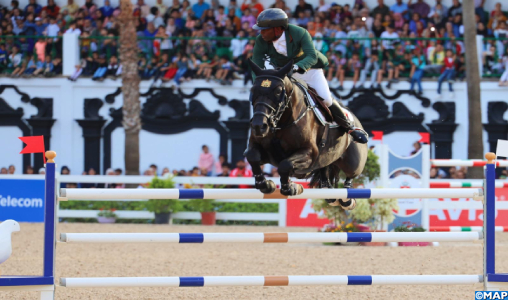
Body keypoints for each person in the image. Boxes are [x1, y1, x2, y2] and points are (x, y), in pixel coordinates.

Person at [251, 8, 368, 144]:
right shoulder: (261, 40)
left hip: (309, 70)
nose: (261, 32)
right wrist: (258, 84)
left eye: (265, 29)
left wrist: (295, 67)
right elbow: (257, 64)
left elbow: (311, 56)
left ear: (277, 29)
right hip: (283, 73)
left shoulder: (299, 33)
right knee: (271, 98)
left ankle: (350, 127)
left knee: (325, 99)